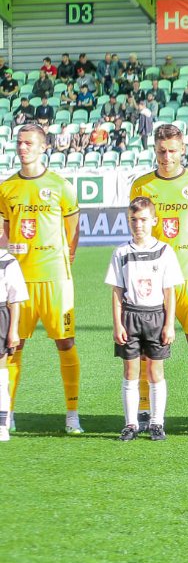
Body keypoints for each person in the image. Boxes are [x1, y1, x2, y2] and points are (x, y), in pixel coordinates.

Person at [129, 125, 188, 433]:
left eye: (172, 151)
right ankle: (145, 411)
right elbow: (139, 231)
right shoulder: (142, 185)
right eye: (161, 151)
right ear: (155, 151)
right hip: (153, 281)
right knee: (147, 347)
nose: (166, 156)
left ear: (183, 150)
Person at [0, 124, 81, 434]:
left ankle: (72, 414)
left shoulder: (60, 186)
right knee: (12, 345)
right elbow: (6, 230)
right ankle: (7, 412)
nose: (23, 148)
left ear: (44, 147)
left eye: (29, 143)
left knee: (65, 342)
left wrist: (64, 258)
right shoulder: (7, 188)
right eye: (19, 143)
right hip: (18, 280)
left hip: (55, 278)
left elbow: (73, 229)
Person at [107, 198, 184, 442]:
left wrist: (169, 324)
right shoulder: (121, 252)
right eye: (133, 220)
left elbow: (170, 292)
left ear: (154, 221)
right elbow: (117, 291)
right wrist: (118, 323)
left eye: (143, 219)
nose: (138, 224)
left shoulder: (165, 251)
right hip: (130, 315)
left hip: (156, 316)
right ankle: (130, 424)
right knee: (130, 371)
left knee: (155, 371)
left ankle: (156, 423)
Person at [0, 245, 23, 442]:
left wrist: (13, 330)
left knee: (0, 374)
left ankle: (2, 424)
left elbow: (15, 299)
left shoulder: (7, 260)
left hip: (0, 315)